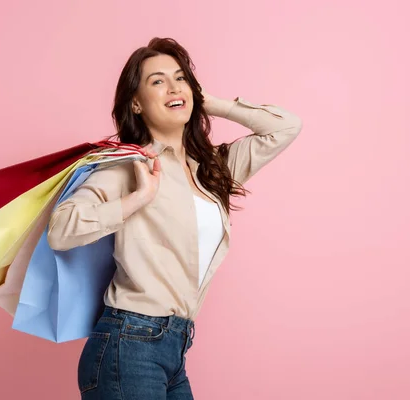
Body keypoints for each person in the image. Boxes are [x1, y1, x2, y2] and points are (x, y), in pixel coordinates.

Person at [47, 37, 303, 400]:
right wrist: (138, 198)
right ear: (135, 103)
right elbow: (60, 230)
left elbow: (286, 127)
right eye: (157, 81)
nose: (173, 87)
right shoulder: (131, 165)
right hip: (129, 343)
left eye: (180, 78)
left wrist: (209, 102)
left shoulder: (213, 171)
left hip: (174, 347)